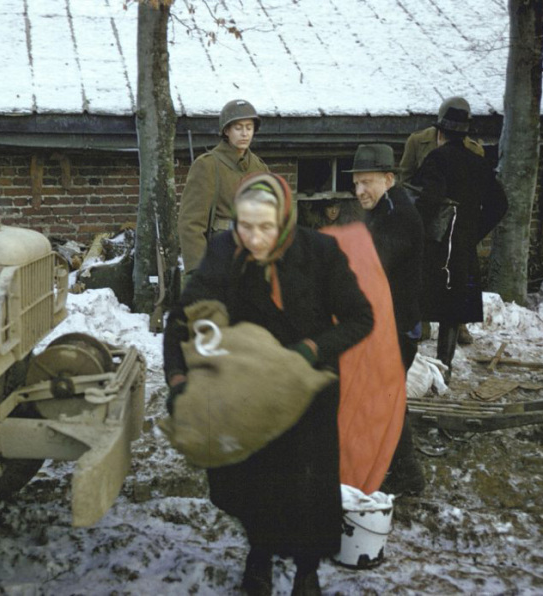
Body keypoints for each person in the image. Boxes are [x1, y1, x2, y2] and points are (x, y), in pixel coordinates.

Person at [164, 172, 374, 596]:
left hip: (307, 385)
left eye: (266, 227)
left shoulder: (320, 253)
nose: (255, 238)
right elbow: (183, 318)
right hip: (248, 390)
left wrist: (312, 349)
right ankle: (259, 555)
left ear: (285, 221)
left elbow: (360, 318)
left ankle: (307, 570)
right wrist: (180, 380)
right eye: (246, 225)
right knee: (254, 478)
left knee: (308, 484)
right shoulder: (227, 251)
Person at [346, 143, 426, 496]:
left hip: (397, 328)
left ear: (389, 178)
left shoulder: (397, 214)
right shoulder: (384, 208)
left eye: (367, 182)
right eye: (356, 183)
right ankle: (396, 470)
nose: (359, 190)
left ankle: (407, 476)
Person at [411, 97, 508, 381]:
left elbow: (427, 200)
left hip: (435, 248)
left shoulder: (436, 159)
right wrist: (474, 232)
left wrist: (417, 229)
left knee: (419, 303)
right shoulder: (478, 164)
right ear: (465, 133)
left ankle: (414, 371)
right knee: (452, 311)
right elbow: (500, 205)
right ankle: (446, 366)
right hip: (462, 249)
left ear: (440, 133)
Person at [399, 96, 485, 346]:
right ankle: (421, 321)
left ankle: (458, 323)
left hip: (455, 224)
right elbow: (406, 179)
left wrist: (472, 227)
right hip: (426, 216)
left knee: (457, 275)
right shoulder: (418, 141)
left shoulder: (473, 150)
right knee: (420, 271)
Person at [177, 99, 269, 276]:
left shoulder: (260, 168)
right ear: (226, 131)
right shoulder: (208, 165)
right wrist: (200, 269)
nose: (244, 134)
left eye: (249, 128)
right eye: (238, 128)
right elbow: (191, 223)